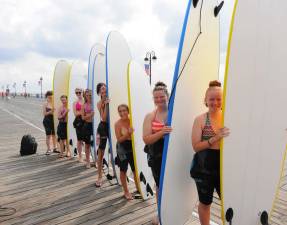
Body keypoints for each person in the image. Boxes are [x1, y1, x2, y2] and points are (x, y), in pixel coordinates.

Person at [191, 80, 229, 225]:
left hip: (225, 166)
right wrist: (215, 138)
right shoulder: (200, 119)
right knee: (205, 202)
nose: (215, 102)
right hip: (204, 166)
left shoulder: (229, 117)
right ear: (205, 100)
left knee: (229, 201)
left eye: (219, 99)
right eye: (212, 99)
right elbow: (195, 146)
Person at [143, 81, 172, 225]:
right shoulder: (150, 116)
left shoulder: (175, 112)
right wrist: (162, 132)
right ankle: (161, 215)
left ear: (168, 96)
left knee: (172, 184)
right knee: (160, 186)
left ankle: (173, 213)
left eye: (162, 97)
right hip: (157, 155)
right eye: (156, 98)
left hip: (172, 154)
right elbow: (146, 139)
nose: (159, 100)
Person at [114, 104, 140, 200]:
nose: (122, 113)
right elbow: (119, 140)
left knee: (135, 169)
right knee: (123, 170)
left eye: (124, 110)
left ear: (128, 111)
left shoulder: (132, 120)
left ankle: (139, 188)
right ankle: (126, 191)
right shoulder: (117, 124)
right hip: (122, 149)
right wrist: (128, 133)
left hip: (132, 147)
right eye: (120, 111)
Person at [95, 83, 110, 187]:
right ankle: (99, 176)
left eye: (105, 89)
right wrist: (106, 104)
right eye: (102, 90)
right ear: (99, 92)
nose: (104, 91)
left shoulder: (111, 97)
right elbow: (104, 118)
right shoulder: (99, 103)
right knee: (101, 154)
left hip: (113, 126)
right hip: (103, 127)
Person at [81, 89, 94, 168]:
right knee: (87, 145)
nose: (89, 96)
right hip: (87, 126)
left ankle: (95, 160)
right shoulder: (84, 105)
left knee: (96, 144)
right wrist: (90, 115)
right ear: (85, 96)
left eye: (90, 95)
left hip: (95, 126)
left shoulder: (94, 103)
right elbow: (83, 117)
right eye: (87, 95)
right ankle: (88, 162)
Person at [73, 88, 84, 162]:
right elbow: (75, 113)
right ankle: (80, 156)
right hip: (79, 122)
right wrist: (83, 111)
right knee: (79, 140)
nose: (78, 94)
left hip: (86, 121)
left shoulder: (86, 101)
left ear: (82, 92)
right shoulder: (75, 102)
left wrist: (80, 111)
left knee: (87, 140)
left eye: (79, 92)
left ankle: (87, 155)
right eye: (76, 93)